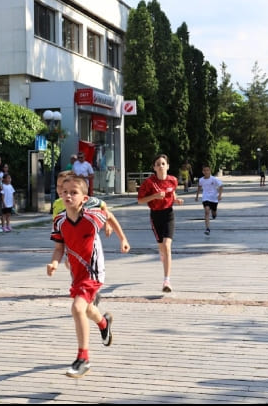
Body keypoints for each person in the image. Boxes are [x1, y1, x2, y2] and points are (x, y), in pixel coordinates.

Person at [46, 175, 129, 378]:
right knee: (88, 308)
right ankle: (103, 323)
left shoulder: (92, 216)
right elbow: (59, 247)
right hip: (76, 273)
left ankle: (83, 358)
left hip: (93, 272)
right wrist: (55, 262)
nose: (68, 195)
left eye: (74, 192)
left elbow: (108, 215)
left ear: (84, 198)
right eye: (65, 192)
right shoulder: (59, 221)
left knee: (77, 308)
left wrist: (123, 239)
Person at [137, 154, 184, 292]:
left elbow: (172, 192)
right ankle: (162, 252)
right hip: (155, 215)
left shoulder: (173, 180)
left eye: (163, 163)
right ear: (154, 168)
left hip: (169, 214)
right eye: (158, 164)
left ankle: (166, 281)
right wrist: (155, 196)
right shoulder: (149, 183)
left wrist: (176, 199)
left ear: (168, 166)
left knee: (167, 246)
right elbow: (140, 200)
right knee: (161, 246)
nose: (161, 166)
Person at [195, 164, 223, 235]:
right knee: (207, 211)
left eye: (208, 170)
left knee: (214, 212)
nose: (206, 172)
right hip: (206, 197)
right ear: (203, 172)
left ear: (210, 171)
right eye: (205, 170)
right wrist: (197, 196)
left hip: (214, 198)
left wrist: (219, 195)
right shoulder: (201, 180)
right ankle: (207, 229)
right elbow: (199, 187)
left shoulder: (214, 179)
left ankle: (214, 213)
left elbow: (221, 186)